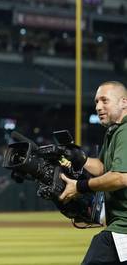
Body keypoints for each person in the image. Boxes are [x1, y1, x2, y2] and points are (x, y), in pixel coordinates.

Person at [59, 81, 127, 265]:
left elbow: (121, 177)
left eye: (105, 100)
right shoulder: (114, 131)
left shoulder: (125, 131)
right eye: (97, 101)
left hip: (124, 227)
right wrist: (80, 158)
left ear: (124, 102)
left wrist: (80, 186)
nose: (98, 107)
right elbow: (104, 168)